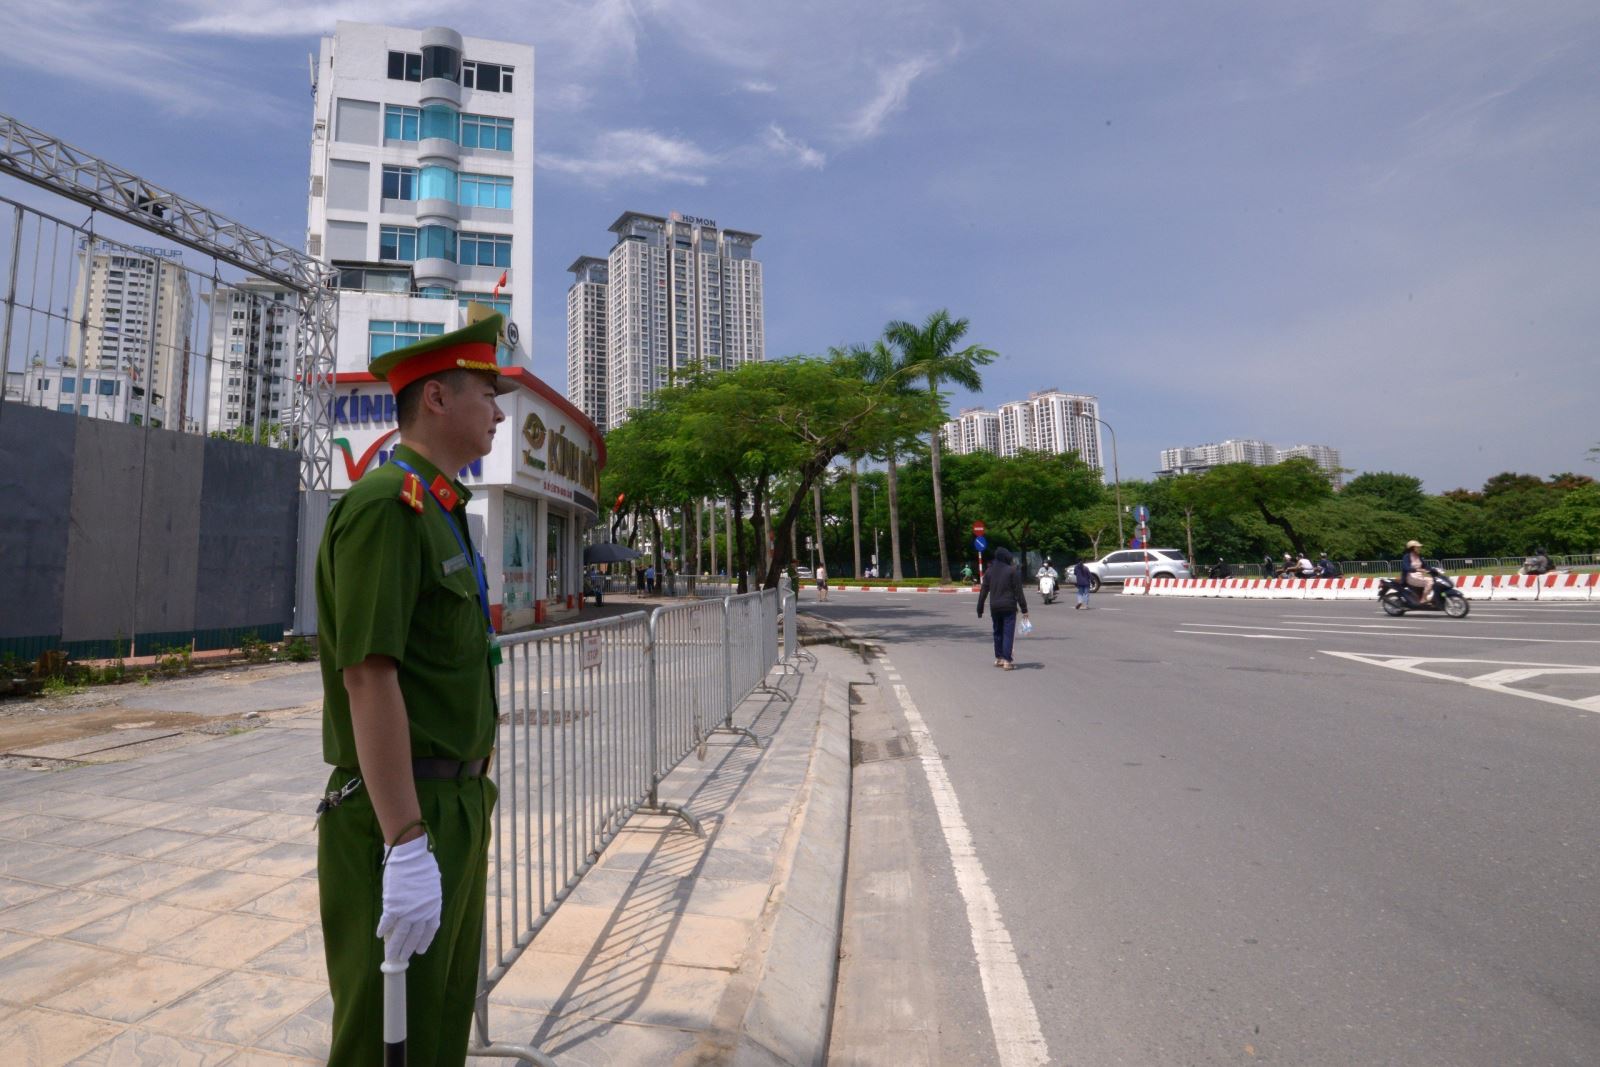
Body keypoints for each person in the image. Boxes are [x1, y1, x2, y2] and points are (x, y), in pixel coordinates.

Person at [314, 313, 512, 1066]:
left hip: (454, 807)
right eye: (486, 393)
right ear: (436, 397)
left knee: (434, 1029)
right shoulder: (385, 507)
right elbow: (369, 676)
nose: (498, 411)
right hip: (401, 813)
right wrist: (403, 840)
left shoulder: (441, 511)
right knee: (383, 1041)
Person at [976, 546, 1029, 669]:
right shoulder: (1012, 571)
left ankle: (999, 658)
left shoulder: (989, 571)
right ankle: (1007, 660)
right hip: (1009, 607)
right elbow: (1018, 592)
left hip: (994, 607)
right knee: (1008, 633)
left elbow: (983, 591)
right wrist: (1024, 609)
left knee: (997, 632)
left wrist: (980, 609)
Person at [1401, 539, 1433, 603]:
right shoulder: (1407, 557)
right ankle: (1423, 599)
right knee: (1430, 581)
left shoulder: (1418, 556)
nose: (1419, 548)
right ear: (1412, 548)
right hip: (1410, 577)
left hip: (1419, 577)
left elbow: (1425, 566)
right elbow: (1406, 568)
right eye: (1417, 547)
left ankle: (1425, 596)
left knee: (1434, 580)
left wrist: (1433, 569)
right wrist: (1417, 569)